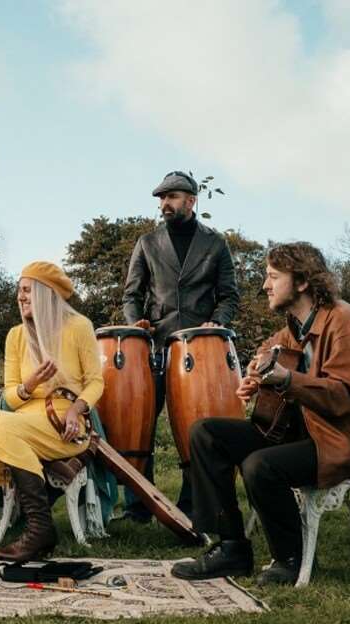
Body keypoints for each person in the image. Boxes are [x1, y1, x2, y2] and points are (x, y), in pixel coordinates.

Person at [171, 242, 350, 585]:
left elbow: (344, 397)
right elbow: (271, 350)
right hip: (308, 431)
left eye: (273, 276)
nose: (266, 285)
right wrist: (257, 375)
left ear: (302, 282)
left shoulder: (345, 322)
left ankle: (289, 559)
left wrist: (285, 379)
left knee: (261, 465)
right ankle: (231, 547)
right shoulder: (296, 325)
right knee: (206, 433)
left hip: (346, 439)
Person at [0, 262, 103, 563]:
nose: (20, 296)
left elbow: (95, 382)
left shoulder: (79, 327)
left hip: (65, 425)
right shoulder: (16, 336)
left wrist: (76, 410)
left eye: (27, 290)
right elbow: (10, 397)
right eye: (19, 291)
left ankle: (37, 528)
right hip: (24, 421)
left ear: (44, 293)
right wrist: (30, 384)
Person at [120, 171, 240, 520]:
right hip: (154, 348)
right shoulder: (146, 242)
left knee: (195, 430)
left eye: (171, 197)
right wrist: (136, 323)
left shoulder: (216, 243)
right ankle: (139, 506)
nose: (164, 204)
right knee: (140, 427)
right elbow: (131, 294)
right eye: (161, 198)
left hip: (200, 351)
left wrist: (216, 322)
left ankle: (193, 504)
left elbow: (229, 295)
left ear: (191, 200)